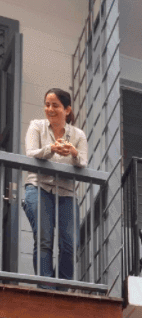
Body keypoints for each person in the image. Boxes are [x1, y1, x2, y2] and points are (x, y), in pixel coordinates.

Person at [23, 88, 87, 282]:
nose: (49, 109)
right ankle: (46, 288)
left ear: (67, 110)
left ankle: (62, 290)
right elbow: (31, 153)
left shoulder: (77, 134)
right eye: (47, 104)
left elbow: (83, 163)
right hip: (38, 187)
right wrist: (51, 149)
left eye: (55, 105)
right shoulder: (36, 126)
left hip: (66, 192)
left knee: (70, 245)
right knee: (44, 240)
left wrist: (74, 153)